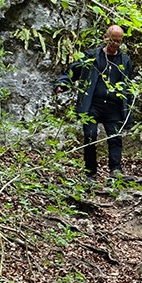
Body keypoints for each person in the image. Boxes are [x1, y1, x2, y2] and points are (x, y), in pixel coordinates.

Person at [59, 25, 133, 183]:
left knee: (115, 137)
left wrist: (128, 111)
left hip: (113, 105)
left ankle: (115, 171)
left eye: (119, 42)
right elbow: (74, 71)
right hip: (93, 104)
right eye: (113, 40)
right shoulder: (92, 56)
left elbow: (128, 86)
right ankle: (90, 173)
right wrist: (63, 84)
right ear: (106, 38)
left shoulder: (125, 60)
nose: (115, 45)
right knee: (90, 136)